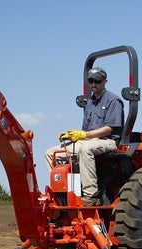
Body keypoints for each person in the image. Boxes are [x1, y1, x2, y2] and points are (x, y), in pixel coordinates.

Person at [45, 67, 124, 206]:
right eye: (91, 81)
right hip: (89, 140)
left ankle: (90, 196)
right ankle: (61, 192)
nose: (93, 84)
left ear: (105, 81)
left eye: (97, 81)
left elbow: (109, 129)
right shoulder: (90, 103)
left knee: (85, 149)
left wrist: (83, 135)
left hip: (108, 141)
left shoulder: (113, 101)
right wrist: (72, 136)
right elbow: (85, 131)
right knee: (51, 153)